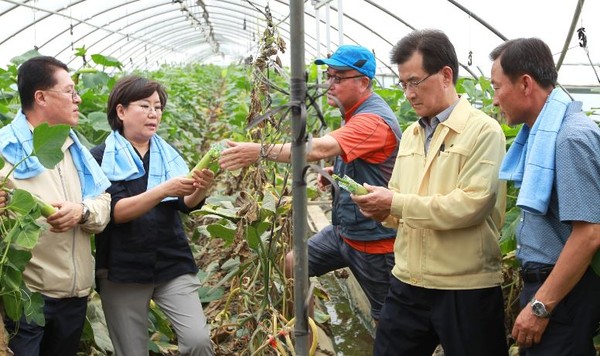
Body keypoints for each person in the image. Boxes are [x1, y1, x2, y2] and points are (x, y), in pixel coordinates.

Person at [351, 29, 509, 356]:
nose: (408, 94)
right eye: (403, 84)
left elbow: (471, 205)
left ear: (446, 75)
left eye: (415, 82)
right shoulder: (411, 134)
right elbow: (400, 197)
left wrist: (396, 203)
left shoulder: (483, 131)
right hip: (408, 281)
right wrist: (384, 210)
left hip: (464, 288)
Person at [219, 44, 402, 321]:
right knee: (293, 264)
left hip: (373, 243)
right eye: (328, 76)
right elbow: (366, 159)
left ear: (364, 82)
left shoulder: (373, 120)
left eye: (338, 78)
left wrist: (259, 151)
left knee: (388, 320)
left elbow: (317, 149)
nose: (329, 84)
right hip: (344, 232)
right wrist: (336, 173)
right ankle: (306, 333)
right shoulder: (355, 113)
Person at [490, 38, 600, 355]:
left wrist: (541, 306)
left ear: (525, 83)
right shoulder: (544, 134)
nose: (495, 100)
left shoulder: (570, 138)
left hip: (562, 295)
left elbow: (589, 234)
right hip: (552, 290)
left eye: (497, 87)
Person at [90, 76, 214, 356]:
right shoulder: (100, 157)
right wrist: (162, 190)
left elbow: (185, 204)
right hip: (123, 269)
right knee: (132, 351)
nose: (153, 113)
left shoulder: (168, 155)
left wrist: (202, 188)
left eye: (158, 107)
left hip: (172, 261)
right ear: (121, 112)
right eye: (145, 105)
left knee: (198, 340)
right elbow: (115, 212)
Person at [0, 56, 111, 356]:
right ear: (41, 97)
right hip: (24, 298)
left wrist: (82, 211)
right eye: (70, 91)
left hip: (74, 297)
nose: (78, 98)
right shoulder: (4, 149)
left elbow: (103, 202)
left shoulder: (74, 148)